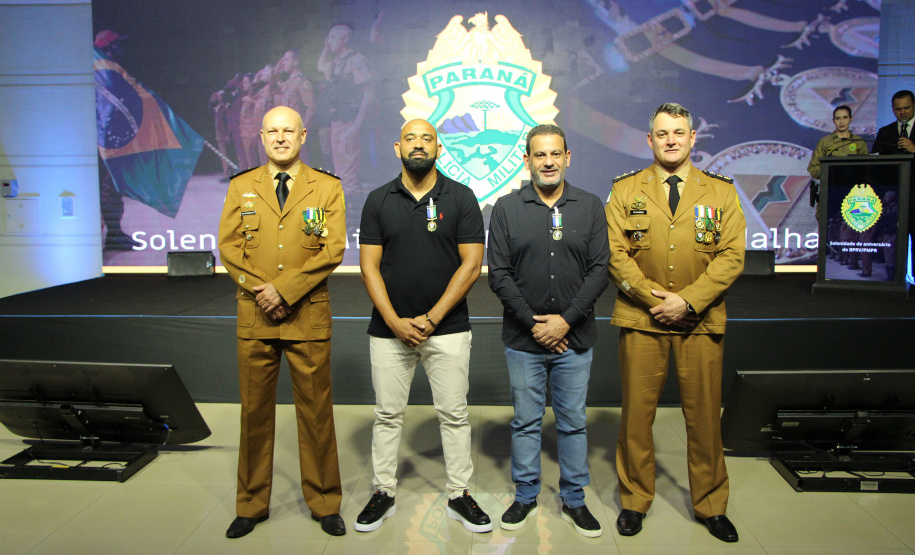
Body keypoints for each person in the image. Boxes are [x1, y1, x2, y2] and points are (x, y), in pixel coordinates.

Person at [605, 103, 745, 542]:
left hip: (699, 322)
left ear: (692, 139)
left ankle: (710, 504)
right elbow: (616, 256)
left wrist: (687, 301)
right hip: (642, 319)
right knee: (636, 418)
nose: (670, 139)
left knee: (704, 419)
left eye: (679, 132)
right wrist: (656, 301)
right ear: (650, 140)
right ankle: (634, 501)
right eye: (662, 133)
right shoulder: (626, 190)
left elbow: (732, 256)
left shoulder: (721, 191)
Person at [355, 119, 491, 534]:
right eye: (411, 139)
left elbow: (471, 265)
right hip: (389, 330)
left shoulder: (462, 197)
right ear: (398, 148)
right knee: (387, 414)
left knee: (453, 414)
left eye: (426, 139)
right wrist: (395, 321)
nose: (419, 145)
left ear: (439, 148)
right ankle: (383, 491)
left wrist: (432, 318)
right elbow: (368, 266)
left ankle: (459, 494)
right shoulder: (378, 200)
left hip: (447, 329)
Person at [218, 106, 346, 538]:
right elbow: (230, 249)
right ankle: (251, 504)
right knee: (254, 413)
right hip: (256, 316)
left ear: (303, 135)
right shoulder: (241, 186)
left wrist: (285, 290)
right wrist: (263, 291)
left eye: (287, 130)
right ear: (260, 136)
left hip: (306, 315)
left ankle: (325, 502)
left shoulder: (326, 187)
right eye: (271, 131)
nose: (279, 138)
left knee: (316, 414)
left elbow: (332, 251)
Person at [488, 124, 610, 537]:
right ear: (527, 160)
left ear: (568, 157)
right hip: (524, 340)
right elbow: (499, 274)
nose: (548, 162)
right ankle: (525, 495)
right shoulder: (506, 208)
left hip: (575, 338)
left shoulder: (591, 206)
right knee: (525, 420)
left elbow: (599, 271)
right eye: (539, 155)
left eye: (555, 154)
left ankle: (574, 499)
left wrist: (565, 322)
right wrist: (536, 324)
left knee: (573, 421)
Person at [318, 24, 373, 230]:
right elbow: (320, 66)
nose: (329, 40)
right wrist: (326, 47)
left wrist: (355, 127)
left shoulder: (356, 61)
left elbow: (368, 94)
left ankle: (356, 225)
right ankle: (349, 222)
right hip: (338, 123)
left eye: (333, 37)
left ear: (345, 38)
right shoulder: (337, 63)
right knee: (341, 173)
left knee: (349, 175)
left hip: (349, 122)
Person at [873, 90, 915, 278]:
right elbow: (874, 163)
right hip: (893, 197)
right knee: (891, 240)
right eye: (898, 109)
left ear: (913, 106)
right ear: (892, 110)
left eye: (906, 107)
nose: (903, 112)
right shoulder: (885, 132)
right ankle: (893, 279)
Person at [806, 105, 868, 181]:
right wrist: (830, 169)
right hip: (830, 186)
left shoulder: (859, 141)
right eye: (838, 118)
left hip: (854, 187)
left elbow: (866, 168)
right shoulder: (824, 142)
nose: (841, 121)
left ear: (850, 119)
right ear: (833, 121)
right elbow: (813, 169)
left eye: (845, 118)